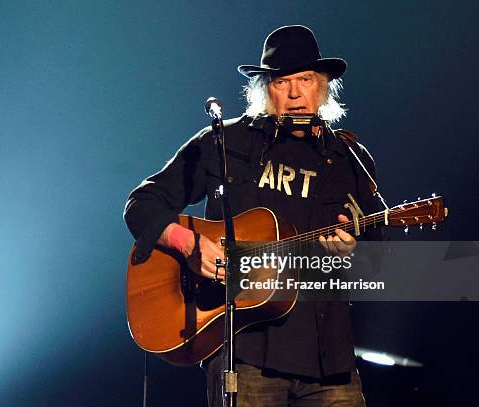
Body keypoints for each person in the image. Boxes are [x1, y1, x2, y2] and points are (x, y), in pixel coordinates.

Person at [124, 25, 381, 406]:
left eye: (306, 80)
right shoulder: (224, 142)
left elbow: (383, 264)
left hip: (330, 361)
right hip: (245, 357)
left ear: (323, 86)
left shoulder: (349, 160)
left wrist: (353, 255)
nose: (295, 93)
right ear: (265, 89)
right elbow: (142, 203)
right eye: (282, 82)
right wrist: (189, 243)